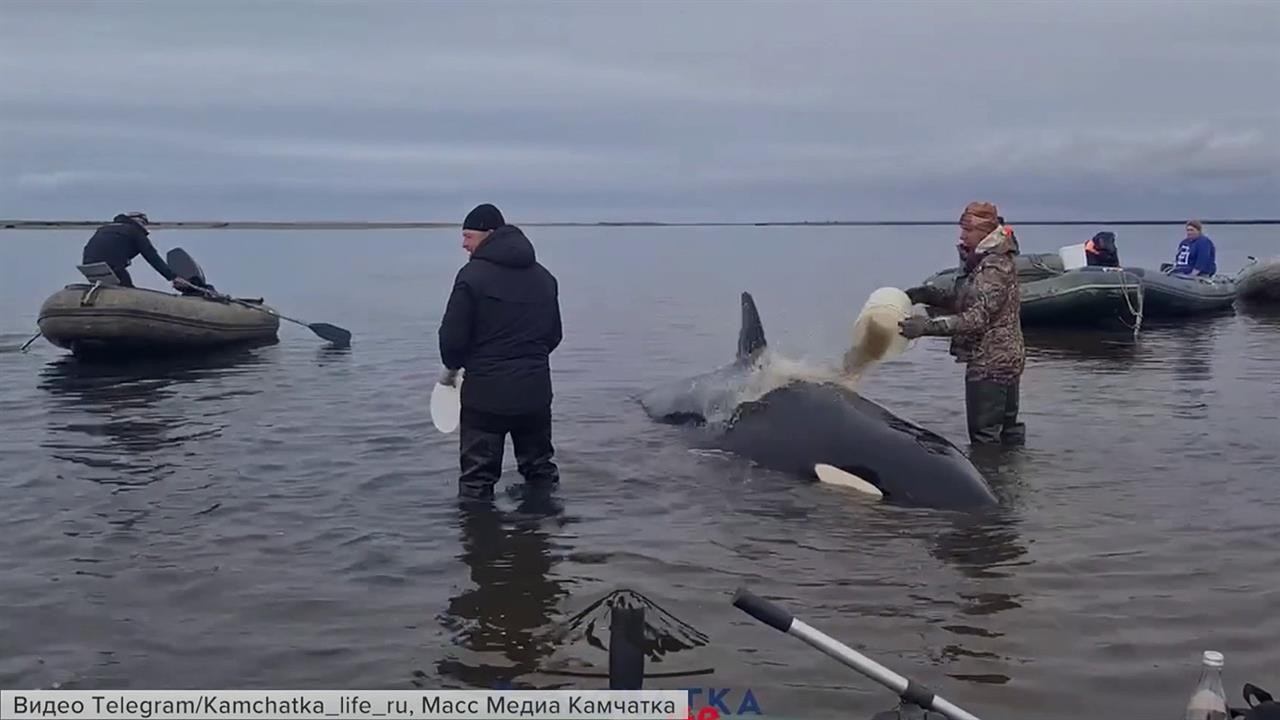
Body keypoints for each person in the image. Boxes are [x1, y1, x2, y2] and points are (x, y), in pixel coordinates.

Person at [437, 203, 563, 503]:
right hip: (535, 396)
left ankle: (479, 544)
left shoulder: (471, 275)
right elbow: (554, 336)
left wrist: (452, 371)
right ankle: (543, 538)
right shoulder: (545, 278)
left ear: (488, 235)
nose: (463, 243)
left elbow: (452, 342)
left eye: (468, 236)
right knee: (539, 471)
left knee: (477, 482)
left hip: (486, 400)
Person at [899, 201, 1026, 445]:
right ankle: (1010, 479)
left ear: (984, 232)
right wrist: (927, 295)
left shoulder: (993, 267)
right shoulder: (982, 261)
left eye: (967, 230)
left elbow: (977, 318)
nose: (961, 235)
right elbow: (966, 299)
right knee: (1008, 433)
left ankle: (989, 479)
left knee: (984, 438)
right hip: (1005, 357)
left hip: (991, 362)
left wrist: (926, 328)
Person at [81, 212, 184, 290]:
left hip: (88, 266)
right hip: (112, 266)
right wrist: (172, 277)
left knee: (107, 289)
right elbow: (152, 257)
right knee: (128, 291)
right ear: (139, 222)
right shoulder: (135, 232)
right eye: (144, 223)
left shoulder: (104, 229)